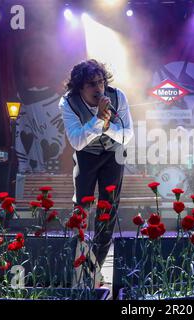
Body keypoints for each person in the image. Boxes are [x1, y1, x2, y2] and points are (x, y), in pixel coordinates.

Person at [59, 59, 134, 273]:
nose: (98, 88)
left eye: (100, 82)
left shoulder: (117, 96)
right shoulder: (68, 102)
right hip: (87, 155)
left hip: (114, 153)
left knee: (107, 209)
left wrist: (108, 126)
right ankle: (76, 263)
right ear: (79, 87)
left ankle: (94, 269)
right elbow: (76, 141)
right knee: (81, 206)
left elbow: (127, 134)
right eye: (91, 84)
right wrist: (99, 121)